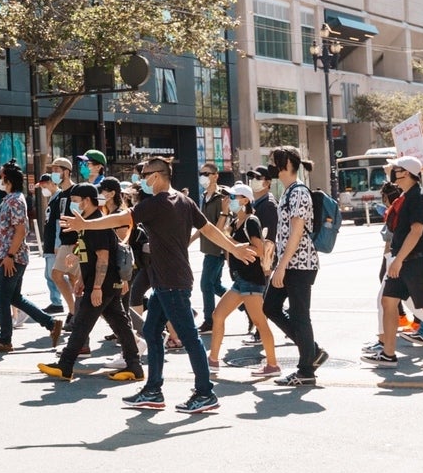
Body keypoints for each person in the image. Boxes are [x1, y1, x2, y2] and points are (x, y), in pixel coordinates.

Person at [62, 157, 252, 414]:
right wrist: (234, 248)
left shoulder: (158, 203)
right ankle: (153, 390)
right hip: (166, 280)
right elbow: (208, 230)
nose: (142, 179)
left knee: (189, 337)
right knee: (152, 332)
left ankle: (205, 392)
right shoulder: (183, 201)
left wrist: (86, 224)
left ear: (158, 176)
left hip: (172, 282)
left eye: (145, 174)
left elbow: (120, 219)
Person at [37, 182, 141, 384]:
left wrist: (95, 287)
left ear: (87, 200)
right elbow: (89, 252)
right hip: (101, 283)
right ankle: (134, 366)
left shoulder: (97, 223)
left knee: (82, 323)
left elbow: (103, 257)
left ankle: (65, 365)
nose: (74, 205)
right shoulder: (87, 222)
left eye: (76, 201)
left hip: (103, 284)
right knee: (120, 324)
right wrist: (81, 273)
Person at [361, 156, 423, 369]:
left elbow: (416, 231)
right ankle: (388, 354)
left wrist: (398, 261)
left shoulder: (418, 197)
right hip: (405, 261)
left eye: (397, 168)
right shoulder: (407, 196)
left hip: (418, 262)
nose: (393, 171)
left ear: (406, 172)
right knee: (388, 302)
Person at [262, 148, 327, 387]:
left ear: (287, 163)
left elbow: (297, 232)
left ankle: (306, 370)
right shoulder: (289, 191)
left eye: (274, 161)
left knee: (300, 316)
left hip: (299, 264)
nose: (271, 165)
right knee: (270, 306)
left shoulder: (298, 191)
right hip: (291, 263)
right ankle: (312, 351)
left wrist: (281, 266)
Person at [204, 183, 280, 377]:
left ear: (244, 200)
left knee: (260, 322)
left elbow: (259, 250)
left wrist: (235, 246)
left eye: (233, 197)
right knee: (217, 315)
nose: (228, 200)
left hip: (252, 281)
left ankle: (272, 365)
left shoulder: (251, 221)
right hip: (240, 281)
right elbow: (218, 234)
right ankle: (212, 360)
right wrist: (223, 214)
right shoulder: (235, 221)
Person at [0, 162, 48, 354]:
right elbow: (5, 232)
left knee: (2, 298)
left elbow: (20, 231)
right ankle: (50, 323)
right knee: (14, 297)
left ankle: (5, 340)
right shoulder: (10, 199)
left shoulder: (15, 200)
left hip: (13, 257)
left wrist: (9, 256)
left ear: (8, 179)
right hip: (7, 256)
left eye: (1, 176)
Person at [37, 163, 77, 322]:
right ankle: (74, 311)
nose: (53, 174)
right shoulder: (59, 196)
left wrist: (59, 243)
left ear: (66, 172)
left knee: (73, 279)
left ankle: (77, 313)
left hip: (73, 242)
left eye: (56, 170)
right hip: (64, 243)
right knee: (57, 275)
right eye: (52, 170)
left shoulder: (74, 191)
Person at [197, 162, 227, 331]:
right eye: (201, 173)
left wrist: (224, 212)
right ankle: (247, 306)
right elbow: (203, 225)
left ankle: (209, 320)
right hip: (208, 247)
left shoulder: (222, 197)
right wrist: (189, 240)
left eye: (207, 173)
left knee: (205, 284)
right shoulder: (204, 197)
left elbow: (220, 228)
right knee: (215, 285)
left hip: (218, 248)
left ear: (216, 176)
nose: (203, 177)